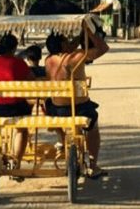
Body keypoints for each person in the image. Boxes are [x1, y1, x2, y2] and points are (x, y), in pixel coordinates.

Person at [44, 26, 109, 179]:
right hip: (79, 108)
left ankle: (62, 139)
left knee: (49, 104)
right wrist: (89, 33)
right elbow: (103, 48)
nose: (70, 42)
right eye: (66, 40)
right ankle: (93, 165)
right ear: (62, 45)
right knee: (93, 126)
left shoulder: (48, 60)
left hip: (57, 109)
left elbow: (69, 47)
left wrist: (79, 36)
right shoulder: (77, 56)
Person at [0, 34, 34, 177]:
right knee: (21, 129)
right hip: (15, 107)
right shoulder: (19, 63)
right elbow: (32, 81)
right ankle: (16, 163)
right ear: (14, 48)